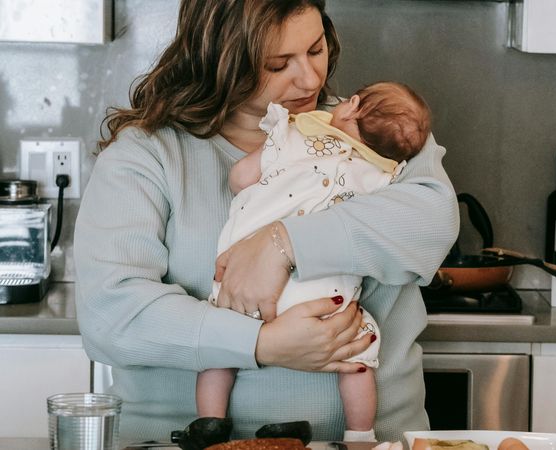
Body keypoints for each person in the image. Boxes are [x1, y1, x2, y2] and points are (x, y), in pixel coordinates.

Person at [73, 0, 458, 444]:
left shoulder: (378, 135)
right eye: (277, 64)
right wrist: (262, 343)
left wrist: (284, 243)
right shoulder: (146, 156)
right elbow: (111, 317)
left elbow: (432, 222)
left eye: (316, 50)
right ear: (219, 61)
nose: (311, 78)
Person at [199, 81, 433, 442]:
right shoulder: (383, 175)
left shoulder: (293, 135)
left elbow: (241, 177)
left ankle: (210, 426)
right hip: (325, 299)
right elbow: (408, 220)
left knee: (218, 353)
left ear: (351, 105)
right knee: (357, 359)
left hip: (242, 288)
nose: (308, 77)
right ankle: (360, 435)